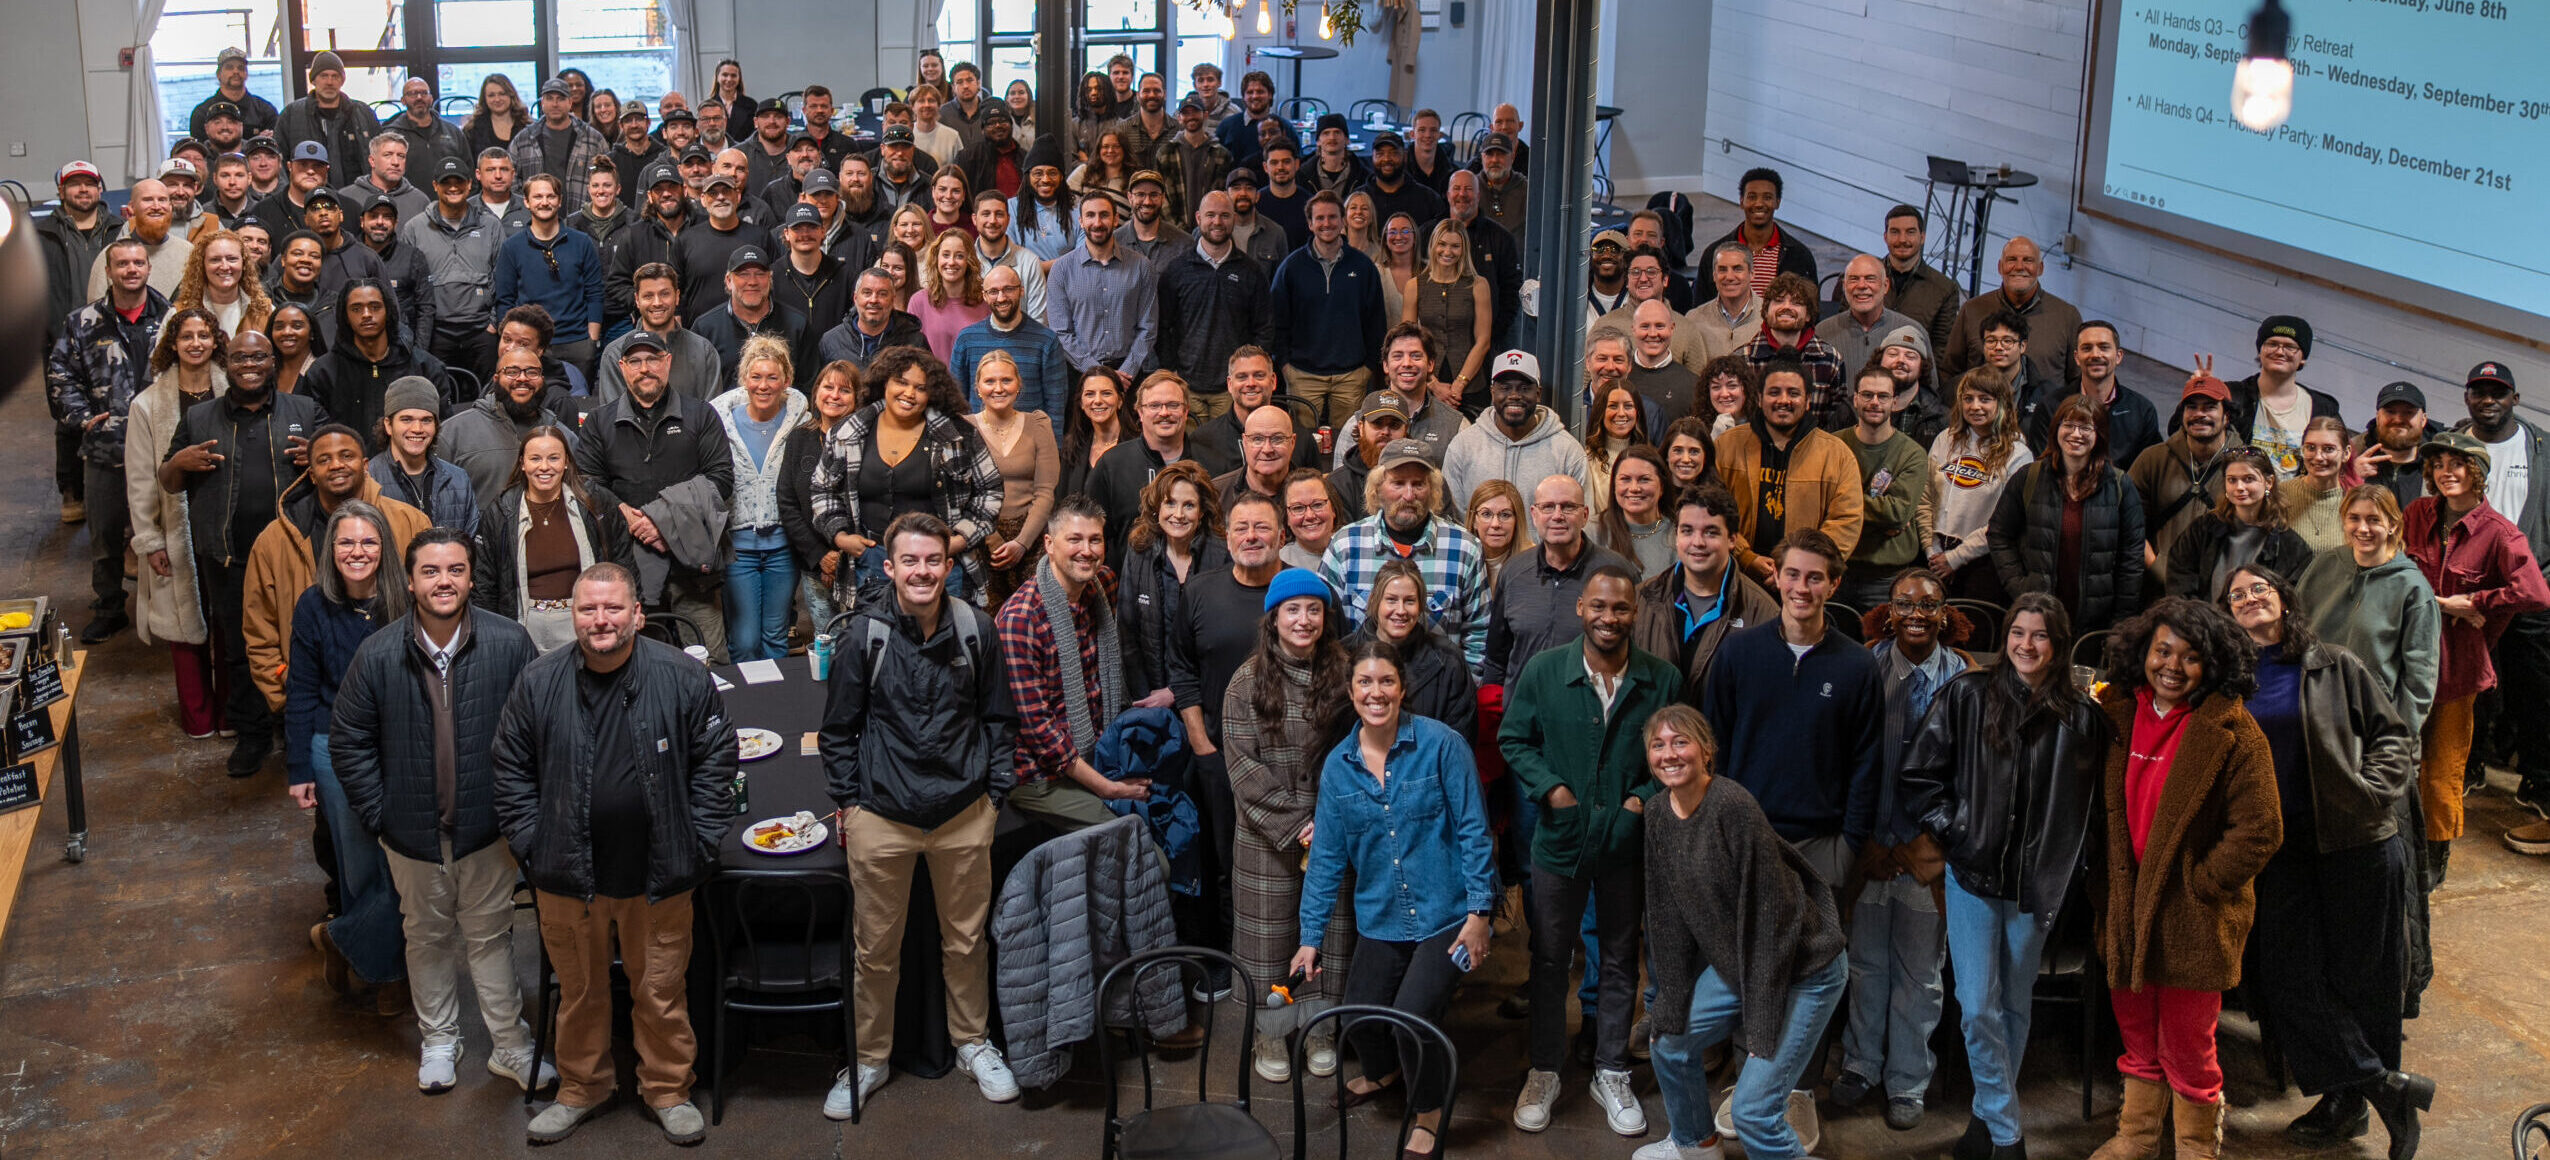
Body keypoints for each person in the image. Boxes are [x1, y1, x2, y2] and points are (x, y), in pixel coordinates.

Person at [493, 562, 730, 1145]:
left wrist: (699, 842)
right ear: (573, 616)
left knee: (661, 993)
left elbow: (717, 762)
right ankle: (582, 1088)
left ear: (637, 615)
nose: (601, 620)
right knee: (579, 995)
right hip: (568, 878)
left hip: (660, 874)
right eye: (588, 609)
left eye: (613, 608)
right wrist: (533, 846)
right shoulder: (537, 682)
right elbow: (510, 770)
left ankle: (668, 1090)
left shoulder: (682, 676)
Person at [2216, 564, 2431, 1155]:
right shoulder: (2228, 682)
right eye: (2236, 596)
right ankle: (2388, 1089)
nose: (2250, 598)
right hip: (2279, 850)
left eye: (2260, 588)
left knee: (2367, 981)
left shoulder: (2335, 664)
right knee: (2285, 978)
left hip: (2356, 842)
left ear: (2284, 599)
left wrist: (2369, 792)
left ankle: (2349, 1103)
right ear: (2227, 615)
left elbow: (2393, 736)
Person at [815, 511, 1021, 1113]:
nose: (923, 571)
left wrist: (994, 796)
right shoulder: (864, 635)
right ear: (890, 567)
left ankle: (973, 1043)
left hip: (964, 814)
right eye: (910, 561)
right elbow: (838, 730)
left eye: (933, 560)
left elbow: (1000, 719)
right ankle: (869, 1059)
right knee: (875, 950)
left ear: (949, 566)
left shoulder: (977, 629)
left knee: (967, 942)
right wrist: (851, 805)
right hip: (882, 816)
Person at [1898, 592, 2107, 1160]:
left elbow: (2092, 810)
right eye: (2017, 632)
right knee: (1977, 1005)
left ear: (2058, 645)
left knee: (2014, 1005)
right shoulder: (1968, 693)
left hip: (2036, 883)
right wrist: (1957, 831)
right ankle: (2009, 1137)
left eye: (2039, 635)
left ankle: (1985, 1120)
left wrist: (2073, 862)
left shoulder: (2082, 715)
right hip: (1972, 874)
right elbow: (1919, 775)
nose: (2026, 645)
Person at [2086, 597, 2282, 1160]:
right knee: (2135, 1028)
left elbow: (2261, 829)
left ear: (2212, 664)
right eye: (2162, 651)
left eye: (2190, 656)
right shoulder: (2115, 712)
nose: (2172, 666)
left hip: (2193, 916)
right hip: (2125, 904)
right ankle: (2137, 1135)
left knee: (2189, 1042)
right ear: (2142, 652)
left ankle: (2196, 1145)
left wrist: (2201, 885)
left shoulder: (2233, 731)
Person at [1288, 639, 1496, 1160]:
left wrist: (1480, 914)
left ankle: (1428, 1112)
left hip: (1448, 914)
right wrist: (1310, 938)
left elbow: (1475, 831)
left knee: (1412, 1018)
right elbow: (1326, 859)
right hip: (1382, 917)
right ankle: (1383, 1075)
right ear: (1351, 691)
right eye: (1365, 682)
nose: (1375, 692)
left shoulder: (1442, 745)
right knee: (1359, 1018)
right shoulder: (1339, 767)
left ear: (1403, 688)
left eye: (1386, 681)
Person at [1501, 564, 1677, 1137]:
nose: (1609, 617)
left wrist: (1639, 802)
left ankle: (1612, 1070)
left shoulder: (1662, 680)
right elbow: (1513, 738)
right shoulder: (1544, 671)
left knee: (1622, 958)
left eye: (1621, 608)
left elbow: (1677, 755)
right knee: (1550, 958)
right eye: (1598, 606)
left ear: (1635, 613)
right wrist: (1553, 790)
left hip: (1626, 845)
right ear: (1581, 608)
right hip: (1559, 840)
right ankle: (1544, 1069)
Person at [1639, 703, 1848, 1160]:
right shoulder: (1656, 814)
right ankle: (1696, 1145)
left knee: (1753, 1112)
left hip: (1803, 968)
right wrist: (1670, 1000)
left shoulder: (1732, 807)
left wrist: (1761, 1029)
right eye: (1658, 745)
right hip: (1743, 963)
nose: (1669, 754)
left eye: (1680, 742)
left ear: (1706, 751)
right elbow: (1666, 919)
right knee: (1667, 1041)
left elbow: (1770, 926)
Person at [1829, 567, 1970, 1133]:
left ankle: (1907, 1079)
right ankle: (1861, 1063)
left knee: (1920, 974)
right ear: (1888, 612)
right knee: (1865, 964)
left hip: (1928, 851)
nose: (1916, 614)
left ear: (1944, 614)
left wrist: (1934, 840)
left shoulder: (1962, 678)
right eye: (1905, 604)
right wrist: (1862, 837)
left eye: (1928, 604)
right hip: (1870, 845)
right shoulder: (1864, 667)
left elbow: (1970, 775)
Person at [158, 331, 325, 774]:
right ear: (225, 364)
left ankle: (296, 731)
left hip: (295, 555)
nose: (249, 364)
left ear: (273, 361)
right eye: (239, 358)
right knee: (239, 649)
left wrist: (320, 457)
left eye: (258, 356)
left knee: (300, 643)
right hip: (228, 556)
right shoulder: (199, 417)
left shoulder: (305, 411)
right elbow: (168, 481)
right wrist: (178, 463)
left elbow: (342, 464)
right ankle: (252, 735)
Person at [1702, 529, 1886, 894]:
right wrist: (1722, 825)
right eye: (1792, 574)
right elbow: (1713, 746)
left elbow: (1867, 763)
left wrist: (1848, 847)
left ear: (1833, 585)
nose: (1801, 588)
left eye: (1815, 578)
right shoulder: (1738, 653)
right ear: (1777, 576)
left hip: (1823, 846)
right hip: (1745, 835)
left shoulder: (1858, 665)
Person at [2401, 431, 2550, 880]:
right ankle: (2395, 851)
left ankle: (2433, 862)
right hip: (2403, 656)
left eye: (2457, 464)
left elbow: (2535, 592)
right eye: (2438, 465)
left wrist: (2477, 602)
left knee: (2441, 768)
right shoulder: (2417, 513)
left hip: (2456, 666)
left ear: (2478, 473)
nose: (2446, 472)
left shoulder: (2499, 532)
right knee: (2392, 759)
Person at [283, 501, 412, 1009]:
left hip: (400, 744)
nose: (357, 552)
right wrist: (299, 768)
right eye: (346, 542)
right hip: (334, 745)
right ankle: (386, 975)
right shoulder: (313, 606)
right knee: (358, 867)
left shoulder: (407, 601)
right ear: (330, 549)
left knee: (406, 864)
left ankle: (340, 938)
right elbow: (300, 691)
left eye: (368, 542)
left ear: (385, 548)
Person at [574, 330, 737, 662]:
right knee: (636, 663)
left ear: (668, 362)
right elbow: (586, 483)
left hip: (694, 566)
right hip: (628, 564)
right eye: (635, 361)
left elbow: (720, 480)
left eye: (652, 359)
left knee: (710, 662)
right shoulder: (599, 422)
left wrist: (661, 522)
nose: (644, 368)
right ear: (622, 367)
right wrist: (623, 510)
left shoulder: (701, 414)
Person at [997, 497, 1147, 833]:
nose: (1087, 551)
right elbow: (1039, 731)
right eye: (1075, 540)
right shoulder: (1020, 620)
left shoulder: (1103, 584)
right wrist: (1107, 788)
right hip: (1040, 775)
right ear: (1049, 545)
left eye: (1095, 540)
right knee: (1135, 835)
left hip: (1097, 750)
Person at [49, 238, 168, 642]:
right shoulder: (82, 322)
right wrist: (84, 419)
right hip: (105, 448)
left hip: (160, 450)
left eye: (138, 263)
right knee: (104, 535)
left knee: (164, 531)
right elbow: (61, 375)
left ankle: (166, 609)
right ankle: (110, 606)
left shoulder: (171, 317)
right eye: (123, 264)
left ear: (148, 268)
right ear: (108, 271)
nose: (131, 270)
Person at [2458, 360, 2550, 839]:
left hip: (2528, 590)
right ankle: (2467, 766)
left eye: (2497, 392)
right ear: (2467, 397)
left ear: (2515, 398)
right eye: (2479, 391)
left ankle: (2539, 781)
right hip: (2468, 591)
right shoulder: (2453, 444)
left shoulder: (2541, 447)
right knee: (2468, 686)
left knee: (2536, 690)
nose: (2488, 399)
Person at [125, 309, 227, 734]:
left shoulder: (234, 392)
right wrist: (150, 540)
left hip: (224, 526)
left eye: (204, 335)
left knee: (229, 623)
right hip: (176, 530)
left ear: (216, 341)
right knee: (184, 627)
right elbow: (140, 480)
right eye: (187, 336)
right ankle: (198, 718)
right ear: (173, 344)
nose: (196, 343)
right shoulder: (147, 405)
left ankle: (231, 715)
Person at [1320, 441, 1491, 666]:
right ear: (1378, 488)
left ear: (1433, 489)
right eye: (1398, 483)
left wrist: (1459, 684)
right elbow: (1324, 632)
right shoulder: (1345, 546)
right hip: (1362, 684)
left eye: (1418, 484)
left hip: (1438, 684)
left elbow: (1480, 637)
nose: (1409, 495)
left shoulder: (1464, 549)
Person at [1989, 394, 2148, 633]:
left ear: (2099, 434)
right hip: (2037, 616)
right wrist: (2020, 587)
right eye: (2069, 425)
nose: (2076, 434)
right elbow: (1999, 534)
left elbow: (2132, 557)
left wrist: (2121, 620)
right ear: (2056, 429)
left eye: (2085, 427)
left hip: (2096, 623)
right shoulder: (2029, 477)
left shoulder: (2119, 485)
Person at [700, 334, 806, 660]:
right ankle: (747, 694)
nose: (763, 385)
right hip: (738, 548)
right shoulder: (721, 423)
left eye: (772, 377)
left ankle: (777, 694)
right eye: (756, 376)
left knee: (775, 636)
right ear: (744, 379)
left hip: (783, 548)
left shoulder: (799, 423)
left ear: (786, 380)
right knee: (745, 640)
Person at [1715, 362, 1866, 584]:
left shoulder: (1837, 455)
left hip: (1805, 584)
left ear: (1807, 401)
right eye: (1774, 392)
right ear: (1759, 398)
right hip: (1735, 577)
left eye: (1793, 393)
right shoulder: (1726, 446)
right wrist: (1745, 557)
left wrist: (1799, 569)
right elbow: (1712, 509)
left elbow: (1846, 521)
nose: (1783, 400)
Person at [1634, 481, 1779, 707]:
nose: (1697, 542)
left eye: (1711, 532)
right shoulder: (1641, 599)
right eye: (1687, 531)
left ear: (1732, 539)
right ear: (1676, 536)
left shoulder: (1764, 614)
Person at [1270, 192, 1390, 429]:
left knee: (1347, 442)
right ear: (1310, 223)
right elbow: (1277, 320)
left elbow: (1376, 321)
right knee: (1304, 443)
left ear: (1343, 221)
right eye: (1320, 218)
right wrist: (1285, 365)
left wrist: (1368, 367)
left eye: (1333, 217)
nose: (1327, 223)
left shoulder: (1363, 266)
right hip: (1302, 374)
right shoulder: (1291, 267)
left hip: (1351, 375)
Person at [1119, 461, 1230, 704]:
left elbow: (1222, 642)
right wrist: (1146, 699)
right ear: (1157, 507)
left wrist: (1177, 694)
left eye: (1189, 505)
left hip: (1207, 697)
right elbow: (1127, 634)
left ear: (1202, 512)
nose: (1178, 514)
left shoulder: (1221, 555)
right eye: (1170, 503)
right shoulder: (1139, 551)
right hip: (1149, 697)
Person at [1923, 368, 2033, 603]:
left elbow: (2005, 520)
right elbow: (1925, 497)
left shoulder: (2018, 454)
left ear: (2002, 403)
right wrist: (1932, 551)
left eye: (1985, 399)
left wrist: (1956, 558)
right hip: (1935, 556)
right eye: (1968, 398)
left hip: (1983, 561)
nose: (1975, 406)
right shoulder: (1945, 439)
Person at [2132, 374, 2246, 593]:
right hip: (2156, 589)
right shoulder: (2152, 459)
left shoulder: (2246, 467)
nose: (2199, 414)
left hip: (2219, 594)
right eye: (2191, 407)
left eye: (2210, 407)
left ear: (2227, 416)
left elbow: (2256, 531)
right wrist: (2157, 568)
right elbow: (2129, 523)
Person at [966, 351, 1061, 609]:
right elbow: (961, 494)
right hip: (980, 539)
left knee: (1034, 616)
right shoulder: (963, 428)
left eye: (1006, 380)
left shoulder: (1038, 424)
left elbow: (1045, 491)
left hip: (1032, 538)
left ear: (1018, 384)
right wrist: (991, 537)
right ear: (978, 388)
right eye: (989, 381)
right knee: (987, 619)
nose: (998, 388)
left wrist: (1022, 543)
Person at [297, 280, 446, 444]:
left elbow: (443, 430)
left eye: (375, 307)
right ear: (345, 316)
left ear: (388, 311)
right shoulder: (323, 372)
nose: (366, 314)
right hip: (345, 458)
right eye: (356, 309)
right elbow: (313, 432)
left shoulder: (426, 367)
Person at [1441, 351, 1589, 511]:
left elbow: (1583, 516)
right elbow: (1450, 515)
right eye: (1505, 388)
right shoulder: (1463, 446)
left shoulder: (1567, 451)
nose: (1514, 395)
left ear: (1538, 394)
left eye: (1524, 388)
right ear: (1492, 392)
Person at [1350, 559, 1480, 740]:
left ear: (1420, 606)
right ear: (1374, 600)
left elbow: (1459, 740)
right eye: (1391, 600)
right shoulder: (1345, 655)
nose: (1401, 610)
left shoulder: (1449, 661)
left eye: (1409, 601)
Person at [2164, 445, 2313, 600]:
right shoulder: (2201, 530)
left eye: (2249, 479)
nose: (2239, 487)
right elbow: (2179, 584)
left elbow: (2290, 601)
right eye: (2232, 480)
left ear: (2269, 482)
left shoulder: (2292, 546)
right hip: (2201, 615)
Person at [490, 174, 605, 370]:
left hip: (577, 343)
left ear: (559, 201)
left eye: (551, 196)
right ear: (526, 202)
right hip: (529, 343)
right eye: (538, 197)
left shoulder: (582, 242)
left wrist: (591, 341)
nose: (544, 202)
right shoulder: (511, 247)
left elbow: (595, 293)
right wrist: (513, 342)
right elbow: (505, 300)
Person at [1841, 368, 1933, 608]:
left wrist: (1842, 506)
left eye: (1882, 396)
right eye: (1867, 395)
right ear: (1855, 399)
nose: (1874, 402)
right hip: (1837, 570)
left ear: (1895, 402)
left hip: (1887, 578)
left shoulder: (1912, 454)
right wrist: (1879, 519)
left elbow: (1896, 514)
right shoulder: (1833, 445)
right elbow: (1819, 503)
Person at [2207, 317, 2344, 476]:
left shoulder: (2323, 409)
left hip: (2297, 493)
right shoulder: (2231, 395)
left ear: (2303, 358)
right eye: (2272, 344)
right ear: (2260, 351)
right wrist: (2204, 398)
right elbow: (2192, 440)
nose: (2279, 352)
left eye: (2290, 347)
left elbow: (2341, 458)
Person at [2021, 319, 2161, 470]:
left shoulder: (2142, 411)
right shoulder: (2050, 407)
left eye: (2104, 347)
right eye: (2087, 348)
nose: (2095, 354)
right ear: (2076, 358)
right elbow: (2043, 468)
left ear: (2118, 356)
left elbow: (2148, 471)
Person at [1943, 237, 2079, 389]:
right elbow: (1949, 372)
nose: (2019, 267)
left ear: (2040, 268)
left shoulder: (2067, 316)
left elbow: (2078, 381)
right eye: (2012, 259)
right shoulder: (1972, 310)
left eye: (2028, 260)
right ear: (2000, 267)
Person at [1045, 194, 1158, 376]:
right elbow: (1061, 332)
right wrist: (1095, 371)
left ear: (1116, 219)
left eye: (1104, 215)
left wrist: (1127, 371)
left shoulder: (1141, 266)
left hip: (1129, 374)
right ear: (1081, 222)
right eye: (1090, 215)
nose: (1097, 223)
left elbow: (1148, 328)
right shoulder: (1062, 269)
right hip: (1080, 373)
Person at [367, 376, 476, 532]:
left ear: (436, 426)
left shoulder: (458, 479)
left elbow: (470, 541)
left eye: (426, 420)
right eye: (406, 420)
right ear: (388, 426)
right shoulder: (369, 479)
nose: (417, 429)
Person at [1403, 219, 1491, 406]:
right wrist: (1433, 384)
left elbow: (1483, 341)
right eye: (1442, 244)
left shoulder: (1478, 285)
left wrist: (1459, 384)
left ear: (1464, 249)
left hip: (1470, 382)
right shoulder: (1414, 286)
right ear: (1433, 245)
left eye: (1455, 246)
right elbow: (1407, 341)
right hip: (1427, 379)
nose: (1448, 251)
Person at [1743, 274, 1848, 429]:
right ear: (1766, 311)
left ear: (1808, 315)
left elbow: (1836, 423)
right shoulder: (1743, 359)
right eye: (1778, 301)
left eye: (1796, 302)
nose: (1786, 307)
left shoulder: (1830, 360)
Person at [1705, 167, 1819, 293]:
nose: (1759, 204)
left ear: (1777, 202)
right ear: (1741, 201)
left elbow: (1810, 303)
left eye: (1767, 197)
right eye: (1752, 197)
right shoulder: (1714, 254)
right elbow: (1702, 303)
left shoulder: (1799, 256)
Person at [277, 52, 382, 188]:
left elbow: (381, 155)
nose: (329, 82)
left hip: (359, 195)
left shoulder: (363, 113)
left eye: (335, 76)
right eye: (324, 76)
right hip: (308, 195)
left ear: (342, 81)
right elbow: (278, 159)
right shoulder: (292, 115)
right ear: (313, 80)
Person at [1880, 205, 1961, 354]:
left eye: (1910, 232)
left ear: (1922, 237)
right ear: (1885, 237)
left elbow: (1941, 348)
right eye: (1895, 232)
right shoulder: (1862, 278)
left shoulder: (1945, 289)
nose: (1902, 239)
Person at [1599, 446, 1676, 580]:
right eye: (1625, 479)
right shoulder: (1593, 531)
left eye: (1644, 479)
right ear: (1614, 486)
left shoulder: (1677, 534)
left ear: (1662, 487)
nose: (1634, 488)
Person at [2278, 417, 2352, 554]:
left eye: (2328, 449)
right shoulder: (2281, 494)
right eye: (2311, 448)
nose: (2318, 457)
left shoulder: (2354, 503)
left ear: (2346, 453)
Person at [1058, 366, 1129, 499]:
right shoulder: (1072, 446)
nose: (1097, 401)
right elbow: (1061, 500)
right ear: (1081, 403)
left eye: (1106, 393)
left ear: (1120, 400)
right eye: (1090, 394)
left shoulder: (1137, 446)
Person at [1690, 242, 1765, 362]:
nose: (1729, 277)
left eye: (1737, 269)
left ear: (1752, 274)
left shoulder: (1769, 317)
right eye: (1722, 270)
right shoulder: (1694, 319)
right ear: (1714, 276)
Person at [191, 47, 280, 140]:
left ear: (246, 74)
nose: (236, 71)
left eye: (241, 68)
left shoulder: (266, 111)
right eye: (229, 67)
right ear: (218, 74)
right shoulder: (202, 114)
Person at [1467, 478, 1531, 590]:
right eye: (1486, 514)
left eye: (1505, 515)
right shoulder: (1461, 560)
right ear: (1473, 520)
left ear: (1517, 520)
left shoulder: (1533, 561)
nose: (1495, 524)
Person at [461, 74, 528, 160]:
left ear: (511, 95)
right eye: (491, 95)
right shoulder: (471, 130)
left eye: (502, 94)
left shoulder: (527, 127)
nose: (497, 99)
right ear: (484, 99)